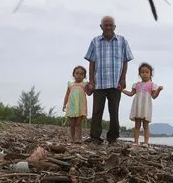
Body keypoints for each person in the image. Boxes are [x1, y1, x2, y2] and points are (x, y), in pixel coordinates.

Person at [84, 15, 134, 145]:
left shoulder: (122, 41)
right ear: (101, 27)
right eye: (105, 25)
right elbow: (92, 62)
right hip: (98, 82)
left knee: (114, 111)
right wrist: (91, 81)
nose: (108, 27)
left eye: (110, 25)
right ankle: (95, 137)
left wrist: (123, 79)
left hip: (115, 83)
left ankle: (113, 138)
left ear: (114, 27)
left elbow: (125, 61)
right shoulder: (95, 41)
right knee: (96, 111)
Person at [122, 62, 163, 146]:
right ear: (139, 74)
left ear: (151, 74)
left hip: (146, 107)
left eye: (147, 72)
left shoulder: (152, 85)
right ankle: (136, 141)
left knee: (146, 125)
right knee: (137, 125)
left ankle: (146, 142)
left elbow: (154, 96)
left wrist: (158, 90)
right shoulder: (137, 85)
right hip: (137, 107)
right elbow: (130, 94)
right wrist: (122, 90)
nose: (145, 74)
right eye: (142, 72)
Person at [62, 65, 92, 143]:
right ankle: (72, 138)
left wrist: (91, 86)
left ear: (84, 76)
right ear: (74, 74)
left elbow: (89, 92)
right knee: (72, 124)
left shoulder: (84, 84)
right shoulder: (70, 85)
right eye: (77, 73)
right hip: (71, 107)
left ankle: (78, 139)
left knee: (78, 124)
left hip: (80, 107)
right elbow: (67, 95)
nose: (79, 75)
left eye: (81, 74)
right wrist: (64, 104)